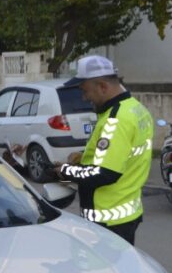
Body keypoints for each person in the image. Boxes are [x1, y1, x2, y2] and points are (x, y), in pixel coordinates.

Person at [54, 55, 153, 245]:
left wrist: (65, 171)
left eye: (85, 91)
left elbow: (105, 173)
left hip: (107, 220)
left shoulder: (115, 119)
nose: (84, 97)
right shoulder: (135, 109)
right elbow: (123, 153)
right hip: (126, 212)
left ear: (103, 87)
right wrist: (84, 157)